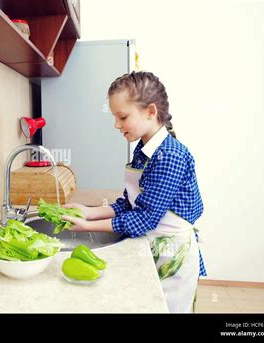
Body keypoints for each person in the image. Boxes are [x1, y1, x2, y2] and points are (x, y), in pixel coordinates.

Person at [62, 71, 206, 313]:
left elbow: (144, 218)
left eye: (122, 116)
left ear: (151, 112)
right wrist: (88, 212)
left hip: (171, 254)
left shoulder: (169, 155)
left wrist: (87, 226)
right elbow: (130, 204)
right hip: (152, 244)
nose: (116, 125)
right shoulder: (144, 148)